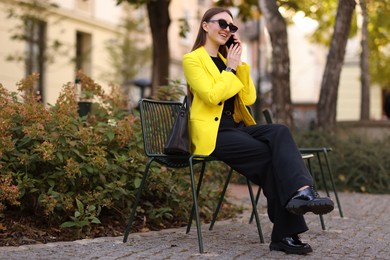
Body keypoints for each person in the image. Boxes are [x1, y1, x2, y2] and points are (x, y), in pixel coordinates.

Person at [182, 7, 334, 255]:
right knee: (269, 159)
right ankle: (287, 234)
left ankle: (302, 191)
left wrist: (239, 65)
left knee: (279, 131)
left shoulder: (226, 61)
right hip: (214, 133)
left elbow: (249, 97)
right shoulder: (192, 60)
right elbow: (211, 97)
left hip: (238, 128)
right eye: (222, 23)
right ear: (205, 25)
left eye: (232, 27)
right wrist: (230, 70)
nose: (227, 29)